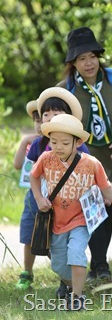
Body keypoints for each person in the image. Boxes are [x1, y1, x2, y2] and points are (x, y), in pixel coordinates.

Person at [30, 114, 112, 311]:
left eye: (64, 142)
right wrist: (39, 198)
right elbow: (34, 176)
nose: (58, 147)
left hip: (80, 220)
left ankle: (77, 298)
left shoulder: (91, 164)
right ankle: (74, 286)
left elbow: (107, 189)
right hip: (56, 221)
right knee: (58, 264)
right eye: (54, 142)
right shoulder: (46, 158)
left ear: (78, 142)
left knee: (76, 253)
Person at [57, 26, 112, 280]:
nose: (89, 62)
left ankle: (100, 265)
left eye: (92, 56)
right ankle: (89, 265)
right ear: (73, 62)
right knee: (86, 211)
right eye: (82, 58)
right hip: (81, 162)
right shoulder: (65, 88)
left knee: (108, 208)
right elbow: (58, 128)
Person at [16, 88, 90, 294]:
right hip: (39, 200)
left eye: (55, 113)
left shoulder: (78, 145)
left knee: (62, 242)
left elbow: (89, 172)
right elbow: (30, 172)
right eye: (45, 114)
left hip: (68, 205)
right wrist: (39, 196)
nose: (48, 118)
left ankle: (68, 284)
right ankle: (33, 273)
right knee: (36, 236)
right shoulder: (40, 144)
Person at [13, 100, 42, 289]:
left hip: (56, 197)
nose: (40, 124)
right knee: (29, 235)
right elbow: (17, 165)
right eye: (37, 120)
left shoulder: (60, 142)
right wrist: (25, 141)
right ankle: (27, 273)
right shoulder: (33, 143)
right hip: (33, 197)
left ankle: (64, 277)